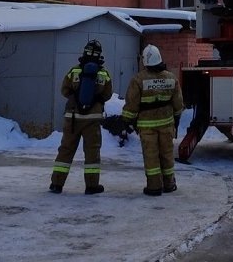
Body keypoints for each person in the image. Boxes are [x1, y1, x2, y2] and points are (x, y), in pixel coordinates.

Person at [50, 39, 113, 195]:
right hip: (92, 120)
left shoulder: (74, 71)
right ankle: (91, 186)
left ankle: (57, 184)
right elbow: (108, 94)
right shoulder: (104, 74)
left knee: (65, 150)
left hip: (72, 118)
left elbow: (64, 90)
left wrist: (75, 97)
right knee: (92, 152)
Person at [121, 44, 184, 196]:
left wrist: (126, 120)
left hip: (146, 126)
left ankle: (154, 187)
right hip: (167, 124)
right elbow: (178, 103)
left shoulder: (138, 80)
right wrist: (176, 119)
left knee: (151, 157)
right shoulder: (171, 78)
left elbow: (132, 104)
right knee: (167, 155)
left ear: (145, 61)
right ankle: (169, 184)